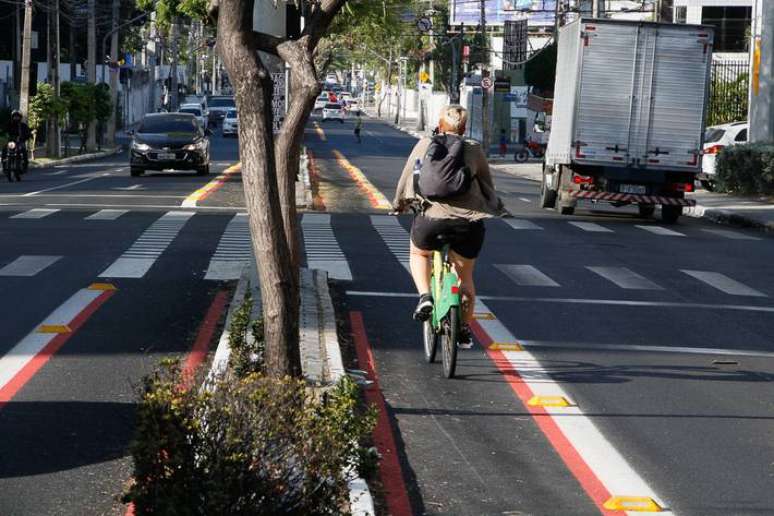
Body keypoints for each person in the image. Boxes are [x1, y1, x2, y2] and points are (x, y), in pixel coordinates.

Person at [392, 105, 503, 347]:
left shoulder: (425, 144)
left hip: (430, 221)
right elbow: (486, 183)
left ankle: (424, 297)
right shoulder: (473, 149)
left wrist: (399, 204)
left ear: (440, 125)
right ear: (464, 128)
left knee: (419, 253)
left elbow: (408, 176)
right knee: (465, 277)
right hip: (468, 224)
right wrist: (494, 206)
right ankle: (463, 327)